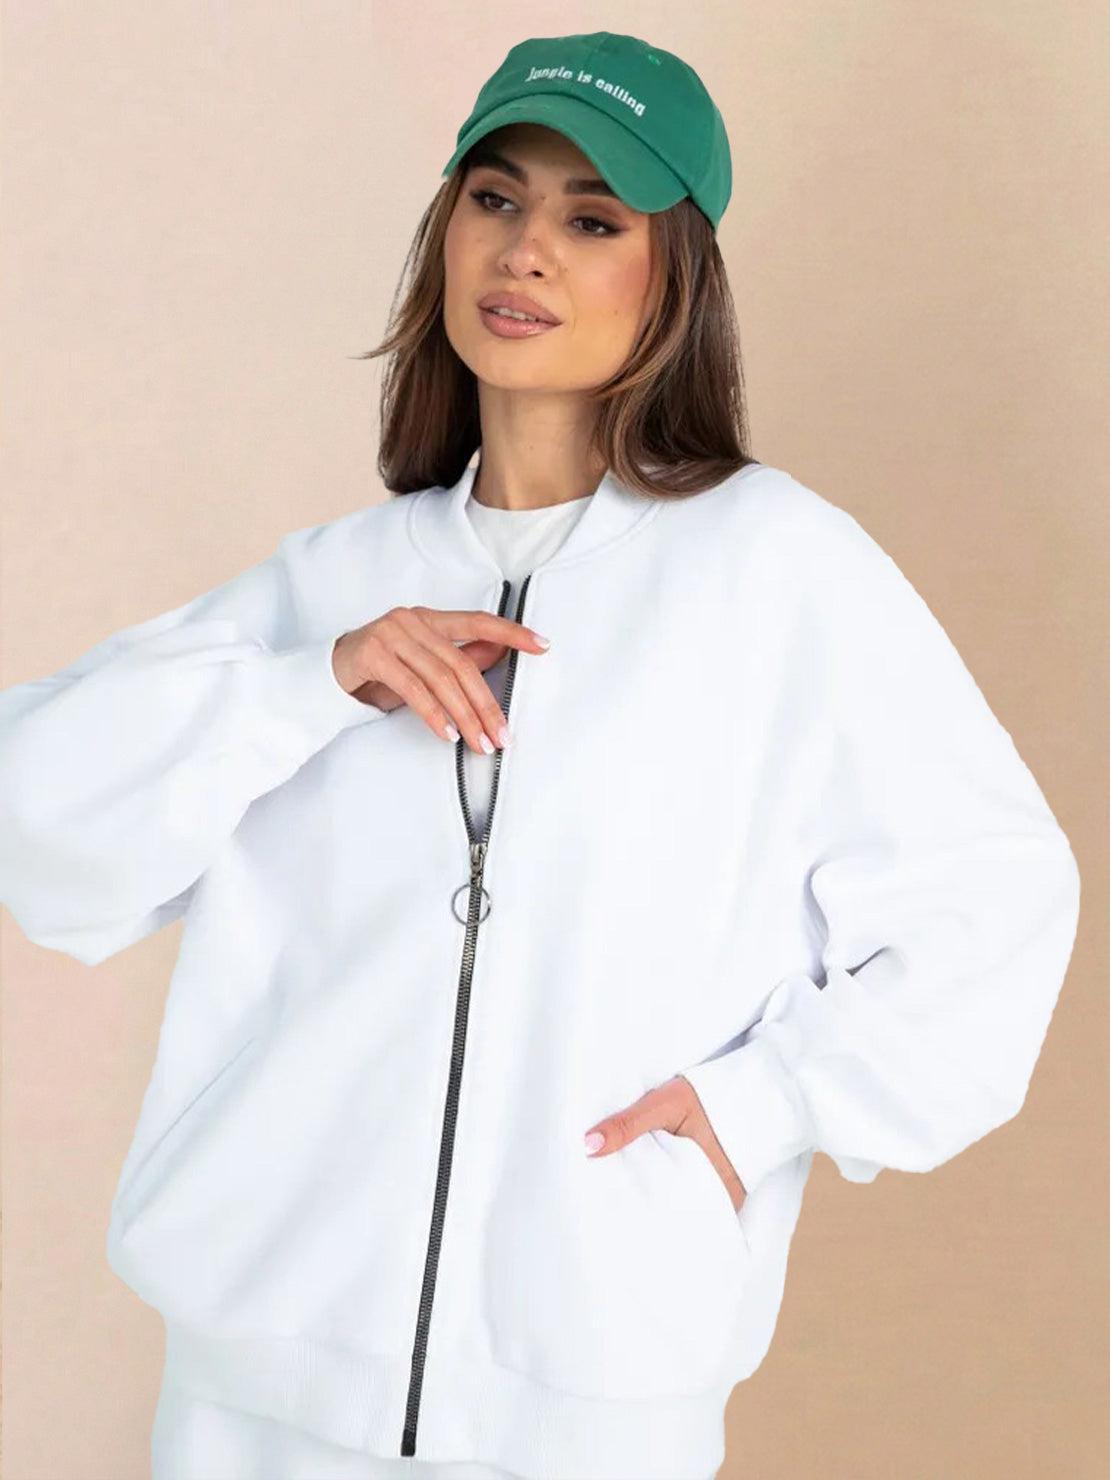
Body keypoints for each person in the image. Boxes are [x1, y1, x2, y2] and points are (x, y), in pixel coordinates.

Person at [0, 29, 1081, 1480]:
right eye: (495, 199)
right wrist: (310, 687)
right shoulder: (329, 587)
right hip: (251, 1405)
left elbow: (994, 902)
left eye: (592, 220)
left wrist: (763, 1106)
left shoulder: (779, 572)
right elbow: (41, 829)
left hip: (590, 1405)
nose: (525, 252)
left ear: (675, 274)